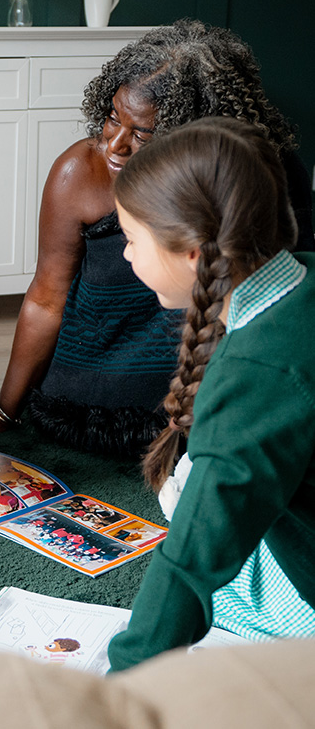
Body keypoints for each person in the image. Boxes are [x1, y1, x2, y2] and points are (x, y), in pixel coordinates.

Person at [0, 19, 315, 457]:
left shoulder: (266, 177)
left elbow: (279, 302)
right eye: (113, 118)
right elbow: (45, 298)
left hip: (199, 385)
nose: (115, 144)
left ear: (196, 138)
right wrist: (5, 412)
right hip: (87, 393)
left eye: (143, 134)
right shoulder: (80, 171)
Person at [106, 117, 315, 670]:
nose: (126, 256)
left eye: (131, 241)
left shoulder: (256, 373)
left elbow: (192, 561)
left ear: (195, 253)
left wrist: (119, 684)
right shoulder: (302, 281)